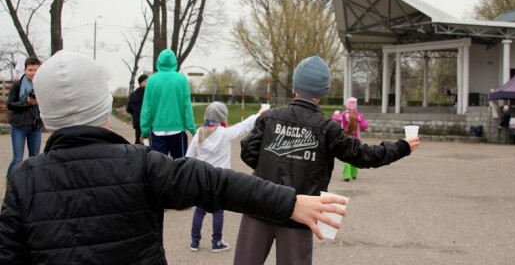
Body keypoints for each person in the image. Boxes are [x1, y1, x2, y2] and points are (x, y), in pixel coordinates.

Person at [0, 50, 347, 265]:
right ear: (105, 108)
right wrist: (289, 203)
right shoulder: (139, 162)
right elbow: (217, 182)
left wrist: (146, 128)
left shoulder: (22, 180)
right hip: (170, 139)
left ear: (45, 115)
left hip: (155, 134)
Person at [234, 56, 420, 265]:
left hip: (260, 203)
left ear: (295, 86)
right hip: (300, 211)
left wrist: (272, 165)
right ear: (324, 91)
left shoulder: (269, 117)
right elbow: (364, 155)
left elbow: (248, 151)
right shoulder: (328, 128)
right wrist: (402, 147)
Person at [186, 102, 268, 253]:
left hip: (202, 178)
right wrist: (259, 113)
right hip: (220, 178)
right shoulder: (225, 134)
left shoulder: (199, 133)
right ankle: (217, 242)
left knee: (199, 210)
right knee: (218, 211)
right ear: (223, 116)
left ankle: (194, 241)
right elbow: (244, 126)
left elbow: (189, 156)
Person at [140, 49, 197, 158]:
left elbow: (146, 109)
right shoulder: (181, 79)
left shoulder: (151, 81)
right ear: (174, 62)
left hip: (157, 132)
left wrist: (144, 131)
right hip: (178, 131)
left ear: (159, 62)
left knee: (158, 168)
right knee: (180, 168)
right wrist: (192, 129)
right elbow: (187, 107)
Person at [6, 57, 42, 176]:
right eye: (30, 70)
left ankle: (32, 182)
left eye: (36, 70)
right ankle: (10, 181)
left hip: (35, 126)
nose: (33, 73)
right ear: (25, 70)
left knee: (35, 158)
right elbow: (10, 104)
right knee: (18, 158)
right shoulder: (17, 85)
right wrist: (25, 102)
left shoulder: (43, 84)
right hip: (19, 126)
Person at [338, 97, 369, 182]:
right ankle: (354, 174)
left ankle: (347, 175)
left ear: (347, 105)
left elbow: (335, 119)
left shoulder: (344, 115)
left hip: (345, 139)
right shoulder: (358, 115)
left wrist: (335, 114)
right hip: (356, 140)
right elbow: (365, 126)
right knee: (355, 156)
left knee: (346, 157)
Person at [126, 74, 148, 144]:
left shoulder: (133, 94)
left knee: (138, 141)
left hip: (137, 122)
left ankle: (138, 154)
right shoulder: (148, 94)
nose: (147, 82)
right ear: (140, 82)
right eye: (145, 81)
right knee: (148, 142)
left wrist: (134, 114)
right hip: (147, 122)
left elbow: (128, 109)